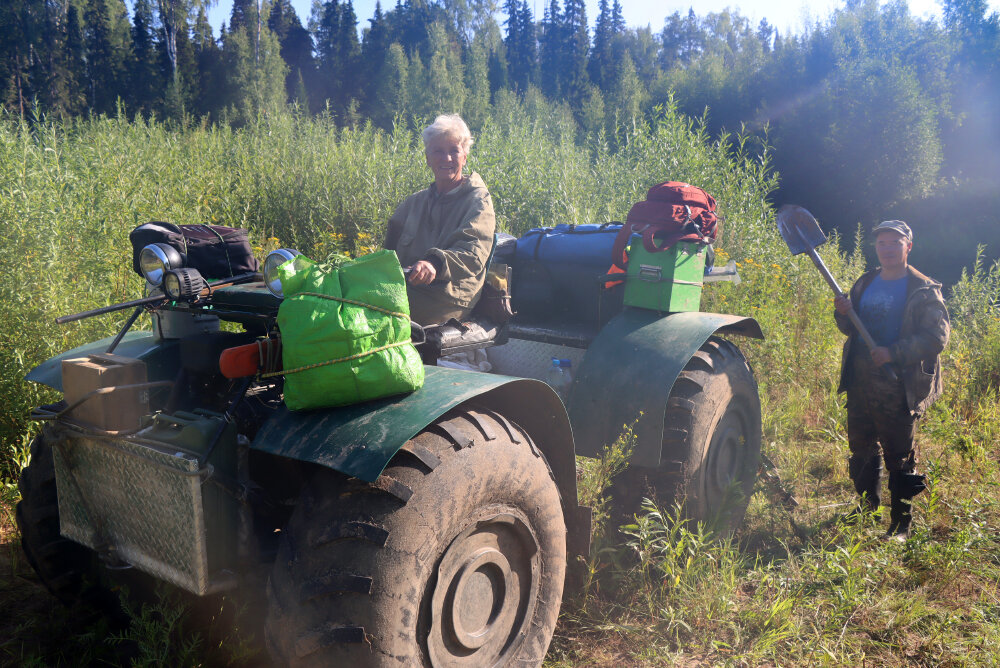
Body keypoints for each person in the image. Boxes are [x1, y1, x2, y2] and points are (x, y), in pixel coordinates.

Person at [833, 220, 949, 540]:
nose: (887, 249)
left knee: (899, 453)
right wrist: (843, 313)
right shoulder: (866, 282)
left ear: (908, 247)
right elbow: (850, 330)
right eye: (882, 243)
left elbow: (936, 338)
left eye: (894, 243)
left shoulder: (924, 289)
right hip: (860, 379)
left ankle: (901, 524)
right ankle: (867, 506)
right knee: (861, 445)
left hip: (899, 381)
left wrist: (893, 352)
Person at [384, 114, 496, 325]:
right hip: (408, 289)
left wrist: (434, 263)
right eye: (438, 151)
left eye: (454, 151)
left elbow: (473, 253)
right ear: (427, 158)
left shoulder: (478, 200)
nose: (447, 159)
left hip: (447, 299)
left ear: (465, 156)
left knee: (379, 315)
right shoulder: (415, 202)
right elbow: (387, 253)